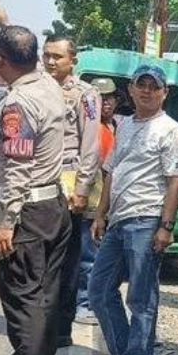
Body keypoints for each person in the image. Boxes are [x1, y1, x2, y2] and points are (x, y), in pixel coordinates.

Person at [0, 0, 101, 348]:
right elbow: (19, 48)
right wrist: (4, 21)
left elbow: (91, 144)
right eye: (47, 56)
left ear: (74, 60)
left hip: (63, 184)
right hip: (49, 183)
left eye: (59, 57)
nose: (51, 62)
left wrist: (82, 187)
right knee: (45, 273)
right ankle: (45, 342)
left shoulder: (84, 94)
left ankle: (58, 330)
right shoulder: (44, 86)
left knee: (64, 267)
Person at [0, 25, 71, 355]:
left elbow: (15, 166)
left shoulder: (18, 103)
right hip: (53, 207)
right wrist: (3, 19)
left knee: (22, 296)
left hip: (28, 210)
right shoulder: (48, 85)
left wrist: (6, 222)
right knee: (43, 296)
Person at [88, 64, 178, 355]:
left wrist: (166, 227)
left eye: (153, 86)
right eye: (141, 85)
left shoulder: (172, 130)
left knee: (141, 296)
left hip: (147, 220)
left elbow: (175, 182)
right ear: (131, 90)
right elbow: (111, 173)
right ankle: (123, 352)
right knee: (99, 290)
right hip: (118, 220)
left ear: (164, 93)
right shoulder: (125, 126)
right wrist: (101, 214)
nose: (147, 91)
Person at [74, 77, 121, 325]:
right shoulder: (87, 128)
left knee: (100, 260)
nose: (105, 104)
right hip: (90, 203)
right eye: (101, 98)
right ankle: (83, 304)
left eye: (110, 98)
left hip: (107, 205)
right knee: (88, 259)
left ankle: (91, 302)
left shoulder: (116, 127)